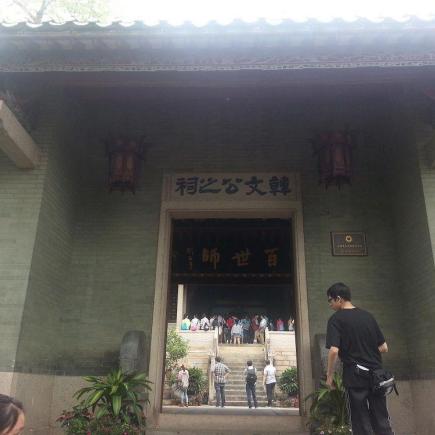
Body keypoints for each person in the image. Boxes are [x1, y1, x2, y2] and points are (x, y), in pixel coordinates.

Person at [325, 282, 394, 435]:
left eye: (330, 300)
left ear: (338, 299)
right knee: (381, 419)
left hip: (355, 377)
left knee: (360, 421)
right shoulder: (368, 316)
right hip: (377, 376)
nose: (329, 304)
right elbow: (384, 348)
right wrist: (365, 351)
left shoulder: (336, 320)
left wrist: (329, 376)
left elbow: (334, 351)